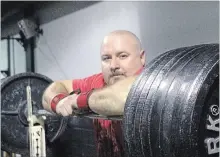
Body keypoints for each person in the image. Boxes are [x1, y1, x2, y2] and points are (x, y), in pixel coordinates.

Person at [42, 30, 146, 157]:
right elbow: (54, 89)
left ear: (142, 57)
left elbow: (123, 96)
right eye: (106, 58)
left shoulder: (152, 82)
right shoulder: (98, 82)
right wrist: (58, 101)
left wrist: (78, 100)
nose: (113, 65)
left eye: (122, 56)